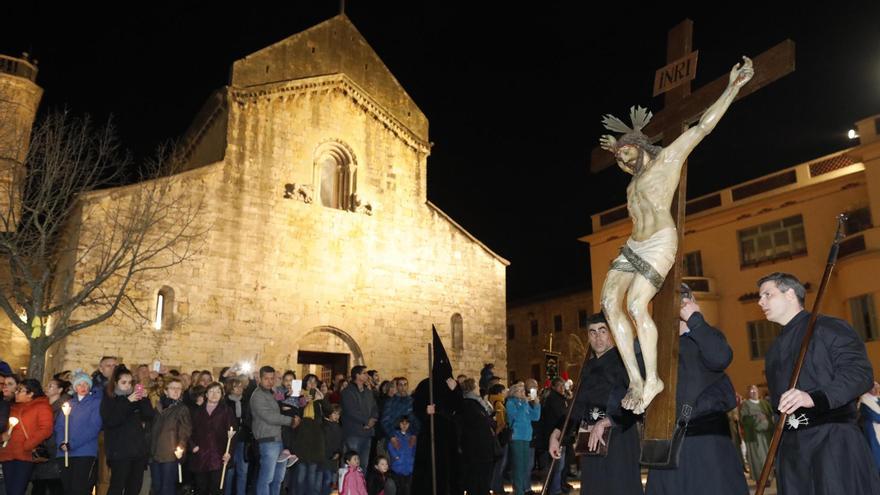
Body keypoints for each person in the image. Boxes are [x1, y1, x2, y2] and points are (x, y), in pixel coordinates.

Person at [597, 57, 755, 414]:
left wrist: (733, 87)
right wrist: (615, 149)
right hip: (633, 243)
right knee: (609, 304)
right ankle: (635, 379)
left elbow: (702, 127)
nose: (622, 157)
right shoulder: (633, 180)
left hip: (658, 241)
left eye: (627, 149)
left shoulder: (668, 161)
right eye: (619, 153)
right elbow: (623, 160)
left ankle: (652, 378)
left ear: (641, 145)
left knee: (637, 304)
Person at [759, 272, 880, 494]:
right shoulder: (774, 351)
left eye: (767, 294)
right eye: (760, 297)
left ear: (790, 294)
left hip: (833, 442)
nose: (760, 302)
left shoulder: (830, 328)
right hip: (792, 450)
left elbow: (859, 374)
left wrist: (814, 397)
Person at [645, 293, 749, 494]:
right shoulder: (657, 346)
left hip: (708, 443)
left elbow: (721, 357)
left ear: (691, 301)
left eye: (682, 299)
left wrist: (696, 320)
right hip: (668, 444)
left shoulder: (706, 334)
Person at [548, 313, 641, 495]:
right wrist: (557, 433)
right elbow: (577, 406)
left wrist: (607, 422)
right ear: (588, 336)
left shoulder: (626, 362)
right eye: (592, 332)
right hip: (591, 440)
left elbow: (637, 404)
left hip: (618, 440)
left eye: (602, 331)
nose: (598, 337)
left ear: (611, 333)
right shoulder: (588, 368)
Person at [101, 365, 156, 495]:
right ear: (115, 383)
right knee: (117, 487)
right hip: (119, 453)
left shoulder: (136, 398)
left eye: (130, 382)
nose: (127, 385)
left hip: (137, 451)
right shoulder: (110, 399)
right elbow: (111, 421)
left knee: (134, 488)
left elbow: (149, 416)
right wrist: (127, 401)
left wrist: (144, 399)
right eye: (123, 382)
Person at [0, 379, 53, 495]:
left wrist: (28, 445)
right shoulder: (12, 407)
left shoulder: (41, 406)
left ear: (30, 394)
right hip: (7, 454)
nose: (16, 393)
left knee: (17, 491)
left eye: (20, 390)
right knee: (9, 490)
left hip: (24, 455)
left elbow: (46, 429)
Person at [250, 366, 298, 495]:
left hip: (280, 439)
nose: (270, 381)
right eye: (266, 378)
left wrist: (286, 395)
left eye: (272, 378)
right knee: (267, 478)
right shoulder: (257, 396)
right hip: (268, 441)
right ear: (260, 378)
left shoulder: (271, 393)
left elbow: (278, 400)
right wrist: (291, 421)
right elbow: (270, 417)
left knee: (278, 479)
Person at [56, 370, 103, 495]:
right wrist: (62, 443)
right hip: (65, 453)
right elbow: (60, 426)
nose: (83, 387)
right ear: (75, 387)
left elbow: (93, 427)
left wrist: (72, 444)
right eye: (80, 384)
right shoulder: (69, 404)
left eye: (86, 384)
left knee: (79, 488)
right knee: (67, 488)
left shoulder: (95, 403)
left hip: (84, 452)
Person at [189, 381, 236, 495]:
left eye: (218, 392)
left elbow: (232, 434)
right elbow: (189, 431)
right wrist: (193, 446)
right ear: (206, 394)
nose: (214, 394)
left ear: (222, 395)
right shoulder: (197, 411)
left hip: (218, 456)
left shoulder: (226, 411)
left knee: (217, 488)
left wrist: (229, 452)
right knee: (201, 488)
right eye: (211, 391)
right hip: (200, 455)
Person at [150, 376, 192, 495]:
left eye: (179, 389)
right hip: (155, 453)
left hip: (170, 454)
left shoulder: (182, 409)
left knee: (166, 488)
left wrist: (181, 447)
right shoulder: (158, 406)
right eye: (173, 388)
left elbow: (185, 430)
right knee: (156, 487)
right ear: (165, 391)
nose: (176, 391)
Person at [457, 377, 497, 495]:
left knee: (482, 474)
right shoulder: (469, 403)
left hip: (481, 446)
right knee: (476, 475)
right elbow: (480, 421)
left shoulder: (476, 402)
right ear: (473, 388)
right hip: (476, 446)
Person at [31, 376, 70, 495]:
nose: (47, 388)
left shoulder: (63, 408)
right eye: (47, 385)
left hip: (54, 451)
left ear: (59, 390)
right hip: (41, 450)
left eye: (51, 386)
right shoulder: (43, 405)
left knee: (53, 486)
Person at [293, 374, 328, 495]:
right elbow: (295, 411)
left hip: (316, 440)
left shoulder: (319, 398)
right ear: (305, 383)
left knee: (312, 473)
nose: (312, 384)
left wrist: (321, 399)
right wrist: (303, 401)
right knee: (301, 474)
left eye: (314, 382)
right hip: (302, 439)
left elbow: (329, 412)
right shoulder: (298, 395)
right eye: (309, 381)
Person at [506, 382, 540, 495]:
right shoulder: (511, 403)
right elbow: (514, 416)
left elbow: (535, 417)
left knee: (526, 466)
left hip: (526, 436)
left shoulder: (524, 403)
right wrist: (523, 403)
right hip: (516, 436)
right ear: (514, 392)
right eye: (520, 391)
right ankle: (518, 491)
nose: (522, 393)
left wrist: (536, 404)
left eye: (523, 391)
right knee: (518, 466)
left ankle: (522, 489)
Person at [342, 366, 379, 469]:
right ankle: (349, 485)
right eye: (364, 373)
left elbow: (375, 408)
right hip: (354, 432)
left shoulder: (368, 392)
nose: (367, 375)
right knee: (351, 464)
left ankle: (360, 485)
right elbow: (351, 411)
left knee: (363, 464)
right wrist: (367, 421)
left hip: (367, 433)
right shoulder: (347, 392)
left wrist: (372, 419)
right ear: (357, 375)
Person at [538, 378, 568, 495]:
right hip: (555, 436)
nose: (562, 388)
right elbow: (562, 416)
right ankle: (555, 490)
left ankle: (556, 488)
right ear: (554, 387)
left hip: (558, 435)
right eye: (560, 386)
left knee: (558, 466)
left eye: (563, 386)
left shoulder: (558, 398)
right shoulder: (554, 399)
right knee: (557, 465)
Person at [739, 384, 773, 482]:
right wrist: (756, 417)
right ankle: (761, 479)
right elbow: (743, 420)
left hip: (766, 435)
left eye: (755, 390)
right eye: (751, 391)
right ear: (748, 393)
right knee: (758, 458)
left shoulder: (764, 403)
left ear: (758, 391)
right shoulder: (746, 405)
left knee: (767, 456)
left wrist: (766, 418)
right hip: (754, 436)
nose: (753, 392)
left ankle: (769, 477)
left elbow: (771, 416)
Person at [387, 416, 415, 495]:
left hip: (409, 467)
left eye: (406, 423)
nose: (404, 425)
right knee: (399, 488)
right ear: (399, 424)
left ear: (409, 425)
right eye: (402, 423)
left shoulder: (411, 436)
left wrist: (413, 457)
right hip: (398, 466)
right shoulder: (395, 435)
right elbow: (390, 446)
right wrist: (395, 456)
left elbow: (415, 448)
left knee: (408, 488)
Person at [321, 404, 345, 495]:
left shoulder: (338, 427)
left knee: (332, 481)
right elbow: (325, 443)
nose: (336, 416)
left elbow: (340, 442)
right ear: (329, 413)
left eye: (338, 414)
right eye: (334, 413)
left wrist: (339, 452)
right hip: (326, 458)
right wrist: (331, 454)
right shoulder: (325, 426)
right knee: (327, 479)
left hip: (335, 459)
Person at [861, 381, 880, 471]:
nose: (876, 387)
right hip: (873, 433)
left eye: (877, 385)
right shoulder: (864, 400)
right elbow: (877, 416)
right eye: (874, 386)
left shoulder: (878, 398)